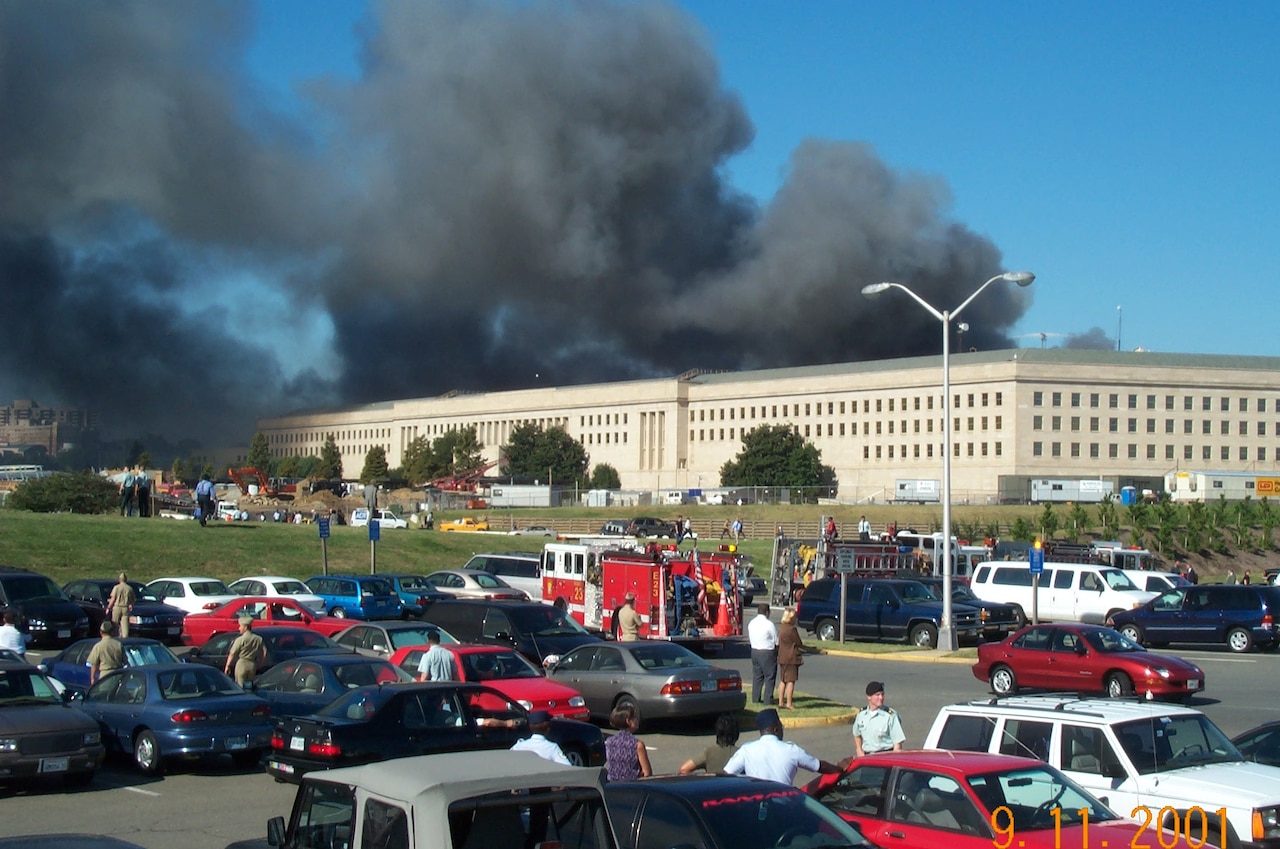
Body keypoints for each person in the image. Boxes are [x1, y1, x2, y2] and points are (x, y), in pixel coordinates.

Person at [723, 708, 840, 785]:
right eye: (781, 726)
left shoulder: (746, 750)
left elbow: (726, 774)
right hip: (783, 807)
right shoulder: (791, 750)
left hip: (755, 807)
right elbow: (820, 766)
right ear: (776, 729)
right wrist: (840, 769)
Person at [853, 681, 906, 758]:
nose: (881, 697)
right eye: (877, 695)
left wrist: (894, 760)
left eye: (882, 694)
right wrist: (859, 749)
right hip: (866, 756)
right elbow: (856, 734)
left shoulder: (890, 716)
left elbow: (897, 743)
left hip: (884, 756)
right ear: (869, 697)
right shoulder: (861, 715)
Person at [605, 702, 651, 781]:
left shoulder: (609, 742)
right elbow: (647, 773)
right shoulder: (637, 745)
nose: (637, 720)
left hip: (612, 785)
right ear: (628, 721)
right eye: (634, 718)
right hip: (632, 786)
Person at [747, 602, 778, 705]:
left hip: (755, 651)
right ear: (767, 612)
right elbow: (776, 640)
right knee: (769, 676)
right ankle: (768, 699)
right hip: (767, 652)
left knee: (757, 676)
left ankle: (756, 698)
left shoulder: (751, 623)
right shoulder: (769, 624)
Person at [224, 613, 267, 687]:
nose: (239, 628)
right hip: (252, 665)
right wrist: (260, 664)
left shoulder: (240, 639)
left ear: (246, 627)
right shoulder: (258, 639)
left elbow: (232, 653)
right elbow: (265, 652)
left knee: (239, 686)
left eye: (240, 626)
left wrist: (227, 666)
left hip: (242, 664)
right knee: (250, 686)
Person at [775, 608, 804, 710]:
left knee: (783, 680)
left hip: (782, 656)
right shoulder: (792, 629)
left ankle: (780, 702)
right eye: (794, 617)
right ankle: (789, 703)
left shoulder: (781, 628)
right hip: (791, 657)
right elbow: (799, 642)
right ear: (791, 618)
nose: (796, 619)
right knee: (791, 681)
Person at [87, 620, 126, 685]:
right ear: (112, 632)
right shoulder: (118, 644)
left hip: (105, 676)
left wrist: (92, 678)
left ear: (101, 632)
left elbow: (93, 664)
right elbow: (125, 661)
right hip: (118, 674)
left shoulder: (98, 646)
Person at [106, 572, 137, 638]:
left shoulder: (116, 588)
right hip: (125, 608)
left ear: (119, 579)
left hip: (117, 607)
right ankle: (125, 637)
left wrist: (108, 607)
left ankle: (115, 636)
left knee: (115, 624)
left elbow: (113, 598)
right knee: (125, 624)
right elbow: (133, 599)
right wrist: (131, 605)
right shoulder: (129, 588)